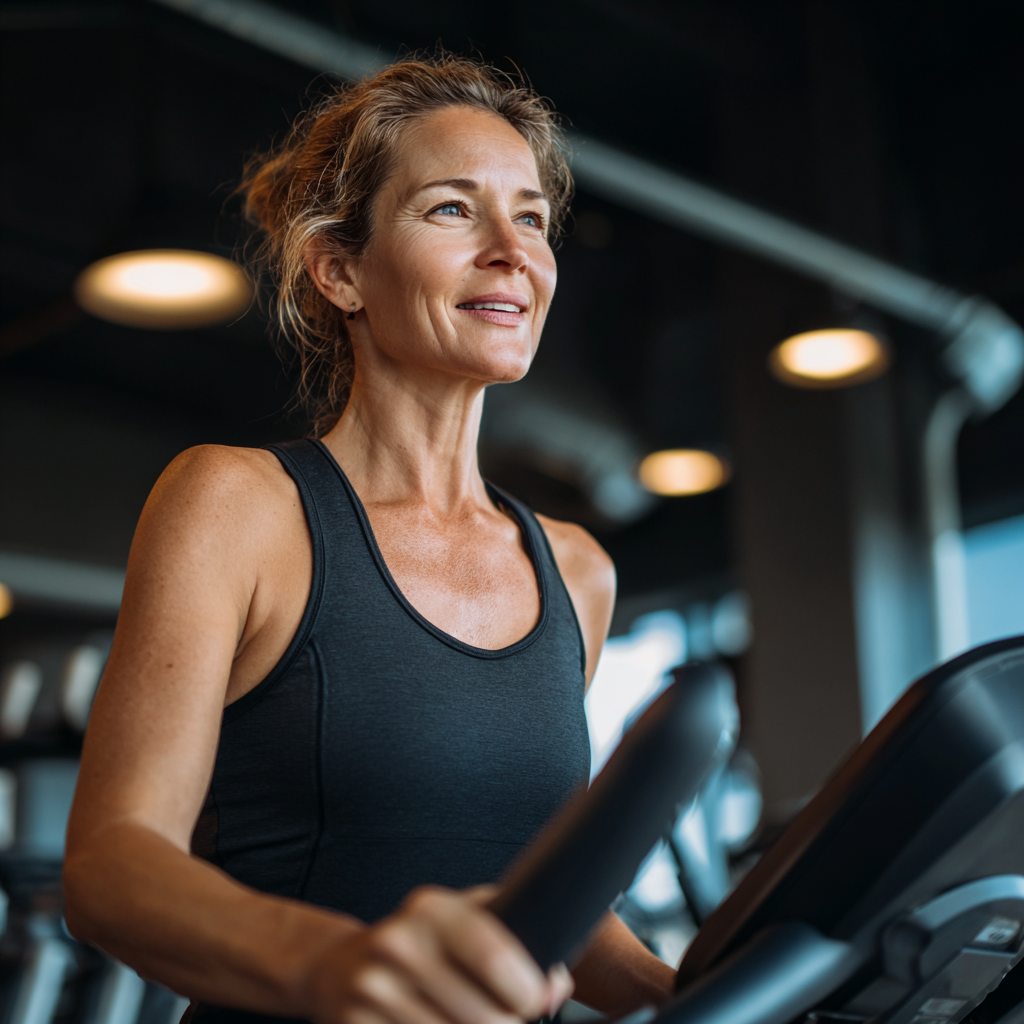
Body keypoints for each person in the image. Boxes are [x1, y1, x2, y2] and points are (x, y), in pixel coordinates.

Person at [64, 56, 676, 1024]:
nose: (511, 250)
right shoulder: (238, 504)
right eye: (450, 209)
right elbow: (109, 865)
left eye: (530, 217)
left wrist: (698, 993)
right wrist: (338, 965)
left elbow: (536, 897)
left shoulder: (575, 569)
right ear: (340, 270)